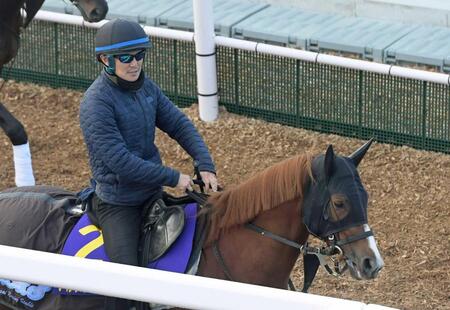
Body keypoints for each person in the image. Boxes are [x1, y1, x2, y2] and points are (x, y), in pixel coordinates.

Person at [79, 19, 218, 309]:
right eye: (126, 58)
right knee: (127, 286)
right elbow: (120, 162)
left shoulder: (147, 88)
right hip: (118, 203)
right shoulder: (95, 103)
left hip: (151, 194)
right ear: (105, 59)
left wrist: (204, 163)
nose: (135, 64)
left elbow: (179, 124)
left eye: (140, 55)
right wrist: (172, 176)